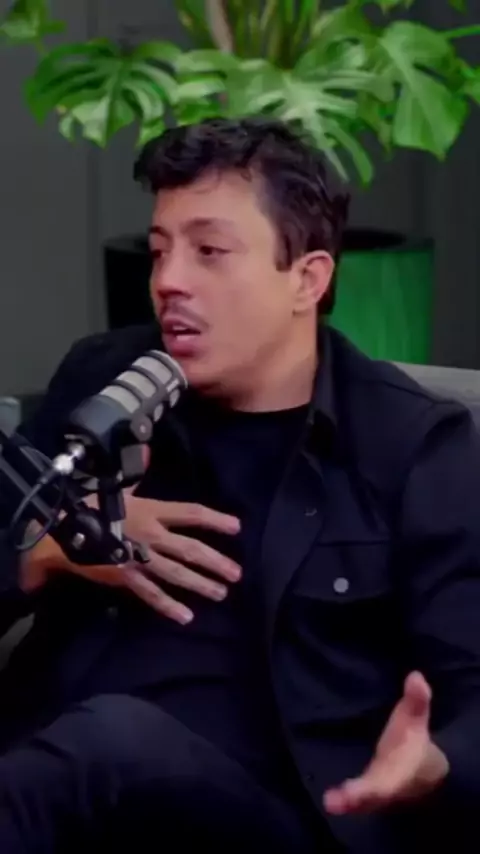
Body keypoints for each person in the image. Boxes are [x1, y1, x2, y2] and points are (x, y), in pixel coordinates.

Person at [0, 117, 478, 853]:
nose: (168, 281)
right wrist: (51, 551)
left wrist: (434, 764)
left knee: (114, 744)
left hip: (262, 821)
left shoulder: (408, 445)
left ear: (308, 279)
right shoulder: (104, 384)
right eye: (159, 251)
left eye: (209, 252)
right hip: (44, 786)